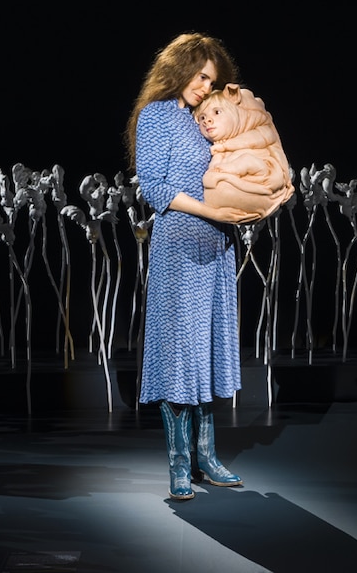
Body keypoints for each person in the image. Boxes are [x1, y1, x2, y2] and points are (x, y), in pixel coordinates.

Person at [124, 32, 258, 500]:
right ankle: (180, 463)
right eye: (201, 76)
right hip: (179, 245)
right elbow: (156, 190)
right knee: (178, 355)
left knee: (207, 352)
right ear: (180, 69)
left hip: (218, 247)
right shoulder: (157, 116)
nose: (205, 86)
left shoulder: (208, 119)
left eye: (212, 80)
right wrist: (213, 212)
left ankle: (207, 456)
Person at [195, 83, 295, 219]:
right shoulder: (218, 149)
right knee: (213, 181)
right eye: (202, 118)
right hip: (234, 187)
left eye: (217, 112)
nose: (207, 121)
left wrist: (226, 146)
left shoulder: (257, 128)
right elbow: (215, 169)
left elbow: (262, 137)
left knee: (245, 160)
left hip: (262, 172)